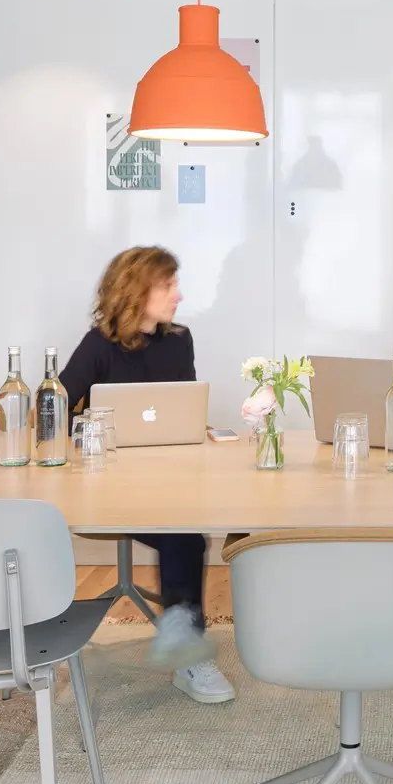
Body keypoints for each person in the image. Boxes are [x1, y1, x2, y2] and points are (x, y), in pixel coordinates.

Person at [60, 245, 235, 705]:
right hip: (110, 489)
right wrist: (88, 432)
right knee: (186, 539)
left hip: (169, 483)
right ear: (137, 292)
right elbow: (55, 410)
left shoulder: (180, 339)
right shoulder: (98, 344)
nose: (179, 295)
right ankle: (189, 651)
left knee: (183, 533)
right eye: (169, 285)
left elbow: (181, 411)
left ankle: (185, 644)